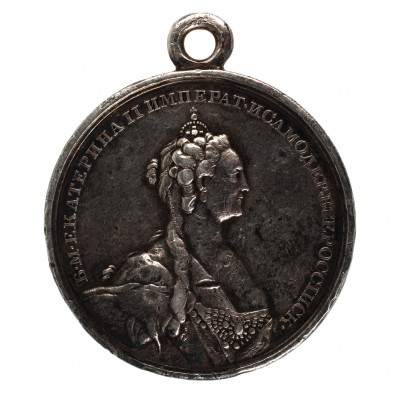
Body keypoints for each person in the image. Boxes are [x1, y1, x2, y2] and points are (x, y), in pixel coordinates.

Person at [83, 108, 273, 366]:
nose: (245, 186)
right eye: (235, 175)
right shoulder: (149, 273)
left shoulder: (230, 261)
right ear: (202, 185)